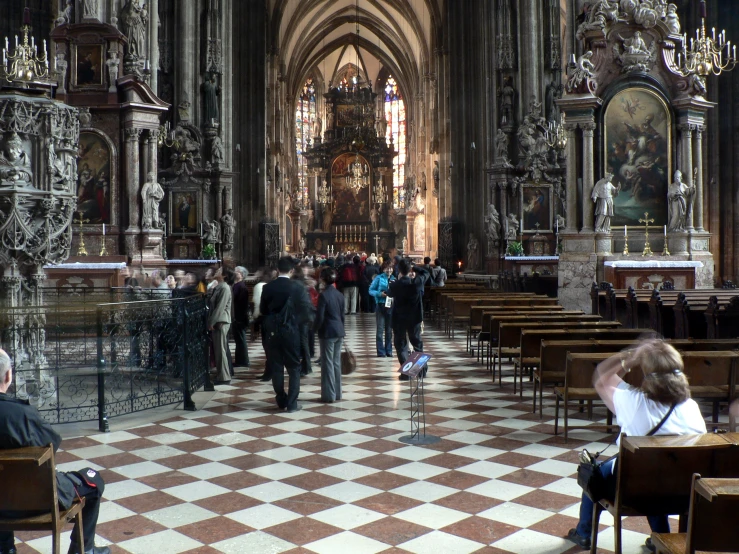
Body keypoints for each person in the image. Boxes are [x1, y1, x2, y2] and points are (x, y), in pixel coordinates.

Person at [566, 340, 707, 551]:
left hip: (633, 488)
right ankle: (661, 537)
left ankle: (584, 533)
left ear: (647, 372)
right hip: (682, 490)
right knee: (658, 473)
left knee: (592, 475)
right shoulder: (691, 407)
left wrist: (629, 358)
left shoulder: (634, 402)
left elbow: (601, 379)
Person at [0, 349, 110, 554]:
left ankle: (4, 548)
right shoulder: (23, 415)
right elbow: (50, 445)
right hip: (39, 500)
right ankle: (83, 550)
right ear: (8, 376)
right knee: (94, 481)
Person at [260, 257, 314, 412]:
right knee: (293, 367)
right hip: (291, 331)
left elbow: (264, 311)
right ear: (291, 271)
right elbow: (306, 310)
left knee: (276, 366)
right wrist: (296, 324)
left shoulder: (268, 287)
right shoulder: (297, 287)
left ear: (277, 270)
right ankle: (292, 403)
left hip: (273, 332)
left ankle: (281, 399)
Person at [385, 259, 429, 380]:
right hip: (414, 318)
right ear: (409, 270)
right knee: (417, 344)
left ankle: (406, 373)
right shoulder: (417, 283)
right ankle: (421, 371)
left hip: (399, 319)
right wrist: (415, 268)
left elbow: (389, 293)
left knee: (401, 345)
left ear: (399, 270)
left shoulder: (395, 285)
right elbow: (426, 273)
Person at [315, 268, 345, 403]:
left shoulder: (324, 295)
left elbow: (320, 316)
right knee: (336, 363)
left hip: (328, 332)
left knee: (327, 364)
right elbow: (342, 315)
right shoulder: (339, 294)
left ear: (322, 279)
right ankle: (338, 393)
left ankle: (329, 396)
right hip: (339, 331)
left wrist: (314, 329)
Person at [208, 267, 232, 385]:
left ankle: (224, 377)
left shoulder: (224, 288)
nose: (216, 271)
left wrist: (211, 322)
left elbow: (220, 308)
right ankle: (221, 374)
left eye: (219, 271)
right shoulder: (219, 286)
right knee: (218, 349)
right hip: (218, 320)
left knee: (220, 350)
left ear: (224, 275)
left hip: (221, 321)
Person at [369, 260, 395, 357]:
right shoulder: (379, 278)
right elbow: (371, 290)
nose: (389, 270)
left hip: (390, 306)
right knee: (380, 329)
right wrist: (380, 294)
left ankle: (389, 350)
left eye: (391, 268)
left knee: (389, 330)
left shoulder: (394, 279)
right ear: (383, 269)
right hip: (380, 305)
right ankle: (380, 351)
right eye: (387, 268)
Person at [252, 268, 274, 381]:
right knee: (270, 347)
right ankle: (270, 371)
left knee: (267, 346)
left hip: (264, 318)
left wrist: (255, 321)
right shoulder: (272, 286)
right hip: (272, 320)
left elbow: (257, 305)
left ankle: (269, 372)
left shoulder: (260, 286)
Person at [231, 266, 250, 368]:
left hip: (239, 317)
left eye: (237, 272)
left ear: (242, 275)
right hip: (236, 316)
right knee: (238, 340)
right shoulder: (236, 285)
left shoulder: (241, 286)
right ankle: (239, 360)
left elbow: (242, 304)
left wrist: (239, 318)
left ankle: (243, 361)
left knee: (241, 340)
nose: (235, 273)